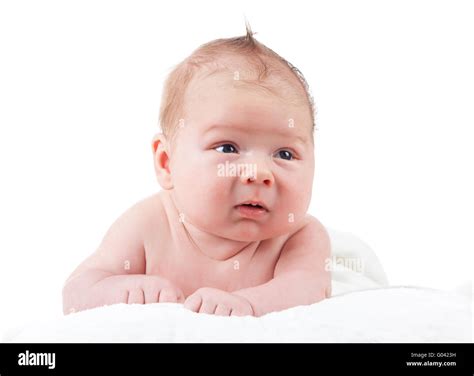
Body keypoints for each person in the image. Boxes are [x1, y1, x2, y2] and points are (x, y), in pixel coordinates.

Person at [63, 25, 331, 317]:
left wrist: (249, 306)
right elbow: (76, 293)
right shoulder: (148, 225)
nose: (259, 172)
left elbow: (308, 290)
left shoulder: (300, 236)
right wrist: (122, 290)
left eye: (285, 154)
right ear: (167, 162)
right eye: (227, 148)